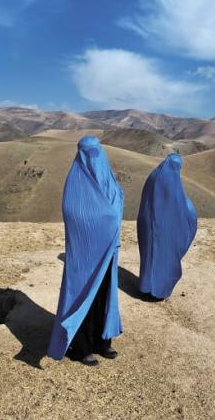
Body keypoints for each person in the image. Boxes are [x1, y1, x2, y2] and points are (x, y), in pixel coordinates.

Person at [47, 136, 123, 366]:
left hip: (108, 252)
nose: (94, 157)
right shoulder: (76, 183)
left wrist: (110, 221)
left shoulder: (108, 179)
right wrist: (105, 219)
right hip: (85, 255)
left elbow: (117, 205)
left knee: (104, 295)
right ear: (81, 154)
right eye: (89, 152)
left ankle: (103, 342)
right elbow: (75, 213)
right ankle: (81, 347)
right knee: (82, 296)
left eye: (97, 151)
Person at [137, 152, 197, 300]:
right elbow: (183, 206)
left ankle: (145, 287)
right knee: (165, 256)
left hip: (148, 225)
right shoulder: (174, 181)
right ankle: (160, 291)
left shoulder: (153, 177)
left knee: (149, 255)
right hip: (166, 228)